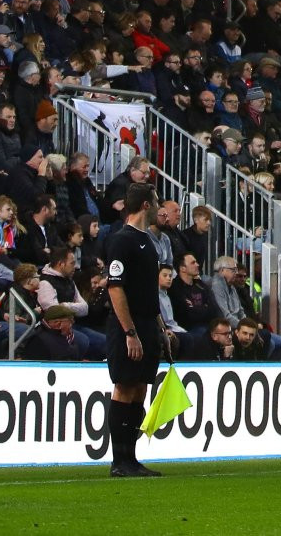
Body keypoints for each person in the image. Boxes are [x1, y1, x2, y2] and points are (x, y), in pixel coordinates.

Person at [101, 183, 164, 478]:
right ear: (146, 206)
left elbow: (147, 289)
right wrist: (129, 332)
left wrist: (158, 324)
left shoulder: (147, 241)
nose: (160, 207)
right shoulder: (122, 241)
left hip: (148, 324)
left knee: (140, 387)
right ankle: (119, 460)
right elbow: (115, 288)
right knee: (125, 386)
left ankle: (131, 458)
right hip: (129, 326)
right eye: (157, 201)